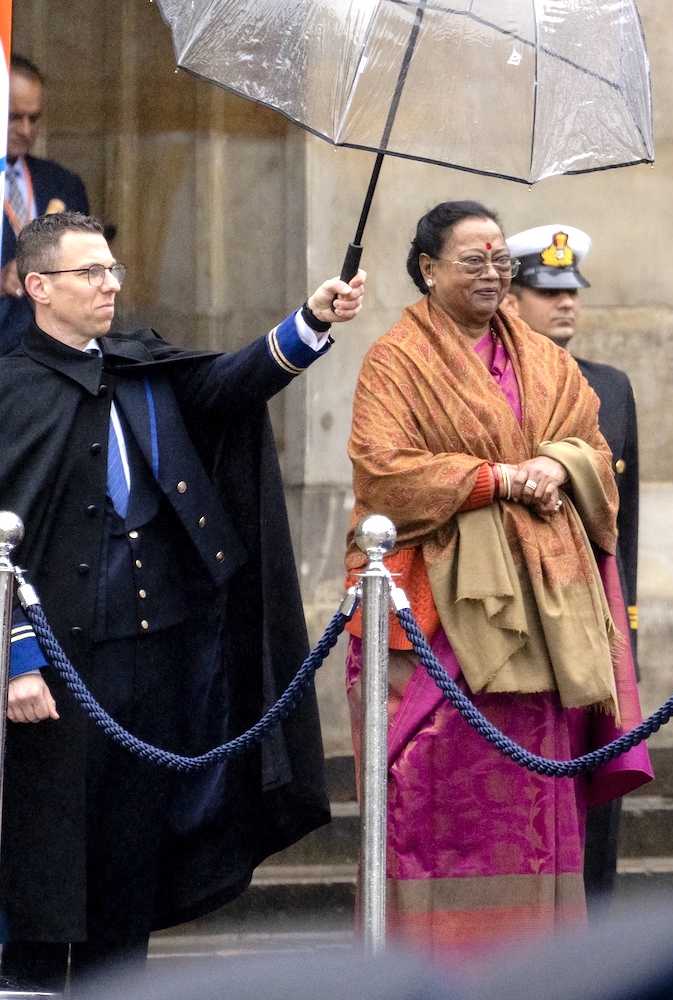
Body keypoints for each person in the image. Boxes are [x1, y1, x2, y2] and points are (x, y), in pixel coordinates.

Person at [0, 211, 363, 989]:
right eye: (87, 274)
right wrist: (15, 661)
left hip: (158, 654)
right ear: (38, 288)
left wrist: (313, 319)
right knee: (46, 854)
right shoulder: (9, 391)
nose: (108, 285)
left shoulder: (140, 368)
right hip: (54, 670)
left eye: (111, 270)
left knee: (131, 849)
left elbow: (231, 381)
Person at [344, 201, 651, 953]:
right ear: (427, 269)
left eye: (499, 263)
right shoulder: (394, 358)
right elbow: (383, 472)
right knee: (424, 804)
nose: (491, 274)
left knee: (533, 809)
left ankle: (535, 968)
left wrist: (555, 463)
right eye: (472, 261)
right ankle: (429, 968)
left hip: (537, 624)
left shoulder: (546, 360)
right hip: (430, 623)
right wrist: (499, 479)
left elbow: (588, 442)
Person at [503, 223, 639, 912]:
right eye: (546, 290)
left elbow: (625, 522)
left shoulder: (610, 388)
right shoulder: (493, 386)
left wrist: (627, 623)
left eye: (571, 292)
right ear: (513, 299)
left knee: (599, 794)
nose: (565, 304)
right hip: (521, 622)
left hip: (594, 617)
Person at [2, 55, 91, 350]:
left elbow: (87, 274)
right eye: (14, 117)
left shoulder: (63, 184)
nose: (26, 131)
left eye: (34, 118)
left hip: (50, 353)